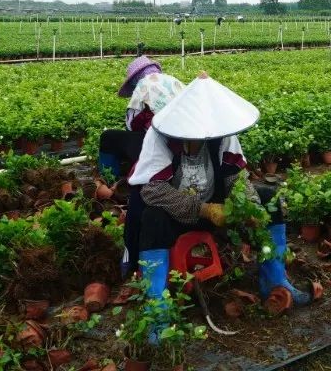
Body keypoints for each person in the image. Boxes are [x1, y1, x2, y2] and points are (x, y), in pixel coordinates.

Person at [130, 72, 309, 319]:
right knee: (152, 218)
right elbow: (153, 189)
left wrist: (251, 206)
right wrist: (204, 210)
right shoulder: (160, 136)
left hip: (217, 207)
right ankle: (157, 308)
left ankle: (275, 280)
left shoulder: (221, 132)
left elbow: (235, 176)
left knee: (269, 198)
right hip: (176, 215)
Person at [98, 56, 182, 180]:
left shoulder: (143, 85)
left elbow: (131, 124)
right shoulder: (174, 81)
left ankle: (109, 180)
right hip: (185, 141)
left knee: (108, 137)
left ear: (135, 78)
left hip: (161, 145)